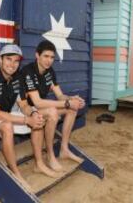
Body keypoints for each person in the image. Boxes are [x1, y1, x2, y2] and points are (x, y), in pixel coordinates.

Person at [0, 44, 58, 191]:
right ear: (0, 60)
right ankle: (15, 173)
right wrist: (25, 120)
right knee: (7, 126)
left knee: (39, 118)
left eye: (16, 61)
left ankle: (39, 164)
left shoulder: (16, 78)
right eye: (8, 59)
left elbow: (23, 105)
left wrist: (33, 114)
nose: (12, 64)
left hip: (4, 116)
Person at [20, 40, 85, 172]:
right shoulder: (28, 72)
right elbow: (37, 102)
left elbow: (60, 96)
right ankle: (50, 155)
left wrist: (72, 99)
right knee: (52, 112)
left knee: (72, 108)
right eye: (46, 56)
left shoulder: (50, 72)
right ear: (37, 55)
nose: (49, 60)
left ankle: (64, 149)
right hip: (27, 109)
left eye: (52, 57)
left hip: (41, 107)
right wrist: (67, 103)